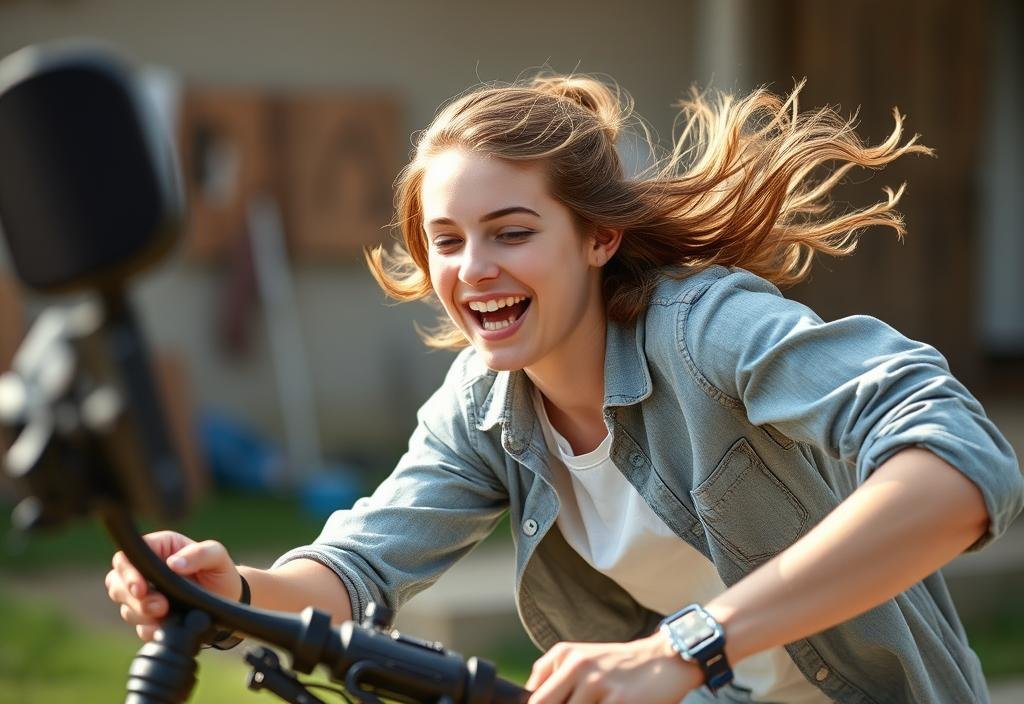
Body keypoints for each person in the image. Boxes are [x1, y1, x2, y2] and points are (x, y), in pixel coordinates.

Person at [106, 74, 1023, 703]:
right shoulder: (484, 404)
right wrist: (231, 588)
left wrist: (685, 647)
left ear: (597, 238)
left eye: (511, 232)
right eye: (447, 240)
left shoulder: (705, 329)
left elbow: (962, 462)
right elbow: (359, 570)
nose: (473, 268)